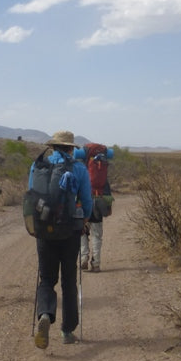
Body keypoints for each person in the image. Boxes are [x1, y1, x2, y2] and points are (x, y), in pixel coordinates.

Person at [30, 130, 92, 348]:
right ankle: (67, 331)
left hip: (44, 231)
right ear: (70, 148)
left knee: (46, 278)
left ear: (54, 147)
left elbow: (31, 196)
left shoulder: (38, 166)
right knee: (68, 280)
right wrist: (83, 221)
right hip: (70, 232)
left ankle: (45, 314)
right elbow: (87, 201)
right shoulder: (79, 168)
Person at [80, 144, 112, 273]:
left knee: (82, 233)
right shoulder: (102, 171)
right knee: (97, 235)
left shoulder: (83, 169)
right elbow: (107, 190)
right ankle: (96, 263)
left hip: (85, 202)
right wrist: (108, 206)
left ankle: (83, 258)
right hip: (99, 202)